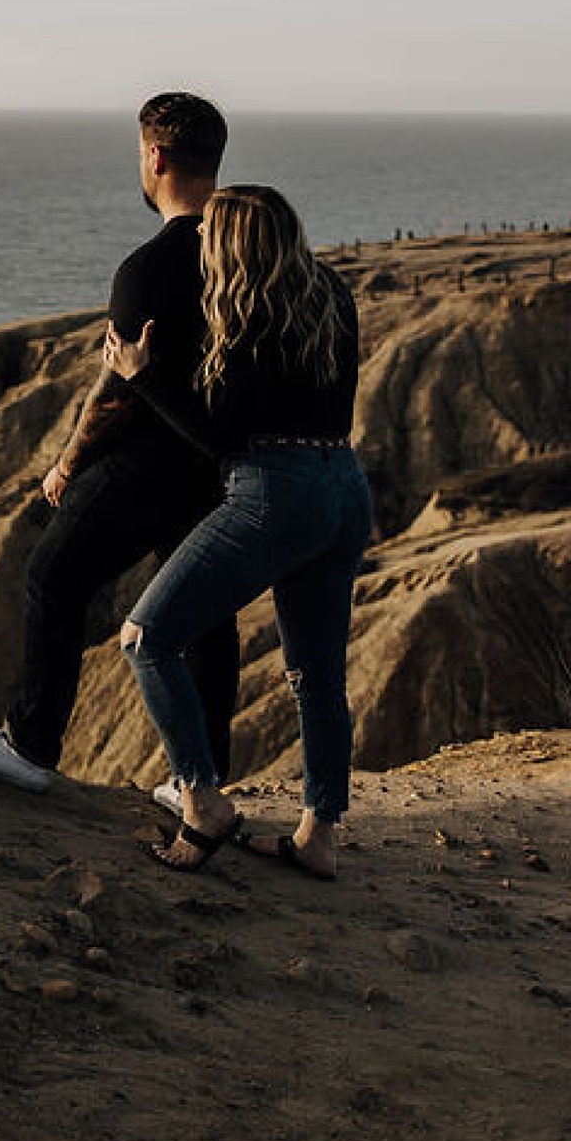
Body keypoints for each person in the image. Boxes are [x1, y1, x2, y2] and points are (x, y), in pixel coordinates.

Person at [0, 93, 243, 803]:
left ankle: (30, 745)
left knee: (53, 577)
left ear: (156, 158)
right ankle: (201, 779)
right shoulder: (243, 259)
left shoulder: (149, 268)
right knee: (204, 619)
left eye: (142, 154)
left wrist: (67, 466)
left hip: (145, 466)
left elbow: (115, 392)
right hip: (218, 466)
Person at [108, 184, 375, 883]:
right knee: (318, 676)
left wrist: (144, 378)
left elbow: (220, 439)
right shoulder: (330, 297)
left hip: (273, 492)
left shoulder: (246, 316)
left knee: (146, 637)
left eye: (208, 236)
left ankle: (200, 799)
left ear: (228, 244)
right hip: (344, 485)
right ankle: (320, 836)